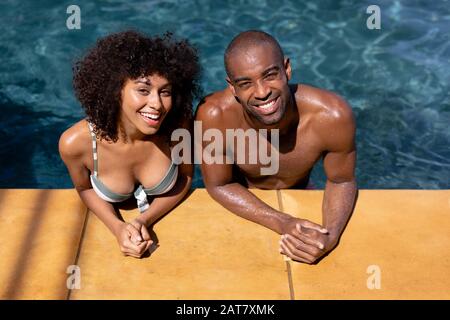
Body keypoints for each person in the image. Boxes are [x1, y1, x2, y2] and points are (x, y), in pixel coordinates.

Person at [196, 30, 357, 264]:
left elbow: (341, 180)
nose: (262, 92)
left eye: (270, 75)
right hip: (242, 199)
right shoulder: (214, 116)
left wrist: (330, 235)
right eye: (245, 83)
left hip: (300, 190)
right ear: (232, 88)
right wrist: (283, 222)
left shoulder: (331, 116)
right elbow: (220, 184)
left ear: (287, 69)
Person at [59, 30, 200, 258]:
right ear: (116, 91)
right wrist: (117, 227)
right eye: (143, 90)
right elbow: (84, 188)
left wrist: (144, 219)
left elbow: (185, 177)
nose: (157, 104)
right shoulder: (76, 143)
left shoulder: (178, 126)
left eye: (165, 92)